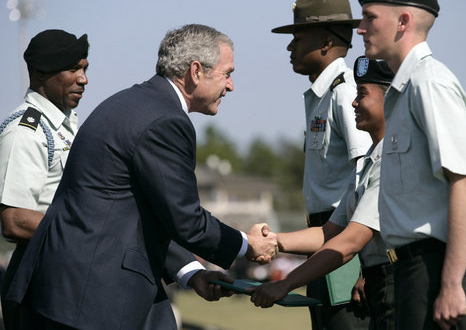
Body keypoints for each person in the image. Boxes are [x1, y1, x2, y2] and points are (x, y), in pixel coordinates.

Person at [3, 24, 278, 330]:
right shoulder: (165, 120)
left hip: (89, 293)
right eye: (227, 73)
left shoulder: (129, 103)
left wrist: (191, 272)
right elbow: (185, 218)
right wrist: (246, 245)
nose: (231, 85)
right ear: (196, 71)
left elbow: (136, 214)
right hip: (89, 301)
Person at [354, 0, 466, 329]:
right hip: (414, 271)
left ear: (403, 22)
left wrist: (450, 284)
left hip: (438, 270)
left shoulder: (428, 82)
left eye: (370, 17)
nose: (360, 28)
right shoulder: (406, 88)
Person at [249, 57, 395, 330]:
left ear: (392, 101)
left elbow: (350, 242)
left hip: (395, 284)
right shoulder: (367, 166)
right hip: (379, 283)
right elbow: (328, 233)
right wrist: (275, 241)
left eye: (362, 94)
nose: (354, 102)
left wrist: (286, 283)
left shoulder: (392, 163)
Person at [270, 0, 371, 330]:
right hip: (323, 242)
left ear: (326, 42)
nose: (290, 46)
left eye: (298, 37)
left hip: (348, 248)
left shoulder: (346, 94)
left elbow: (369, 179)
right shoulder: (321, 95)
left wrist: (366, 268)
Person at [0, 29, 89, 328]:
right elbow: (15, 219)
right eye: (73, 69)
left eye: (85, 68)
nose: (83, 79)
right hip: (39, 281)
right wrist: (89, 236)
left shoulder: (63, 126)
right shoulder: (27, 131)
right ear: (40, 73)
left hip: (65, 276)